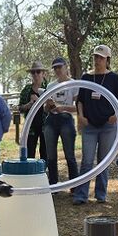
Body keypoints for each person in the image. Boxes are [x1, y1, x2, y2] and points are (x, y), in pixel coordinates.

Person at [73, 44, 118, 205]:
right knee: (87, 161)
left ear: (107, 59)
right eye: (95, 56)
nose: (97, 60)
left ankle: (100, 195)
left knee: (103, 161)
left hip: (108, 126)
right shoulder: (86, 77)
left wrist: (116, 115)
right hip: (89, 126)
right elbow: (80, 100)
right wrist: (81, 117)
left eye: (101, 57)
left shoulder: (114, 78)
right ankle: (81, 195)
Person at [44, 57, 80, 185]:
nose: (58, 70)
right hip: (51, 120)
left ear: (66, 67)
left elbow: (78, 107)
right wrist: (49, 106)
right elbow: (45, 109)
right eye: (55, 68)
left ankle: (74, 185)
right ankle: (53, 184)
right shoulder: (51, 85)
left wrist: (63, 107)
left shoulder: (74, 83)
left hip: (66, 119)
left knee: (69, 155)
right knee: (51, 155)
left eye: (60, 67)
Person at [19, 61, 49, 160]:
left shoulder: (49, 87)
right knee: (30, 153)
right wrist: (29, 104)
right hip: (30, 127)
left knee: (45, 153)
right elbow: (20, 108)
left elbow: (54, 107)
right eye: (33, 72)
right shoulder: (27, 89)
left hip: (46, 126)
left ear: (43, 73)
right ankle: (30, 174)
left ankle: (44, 173)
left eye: (38, 71)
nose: (36, 74)